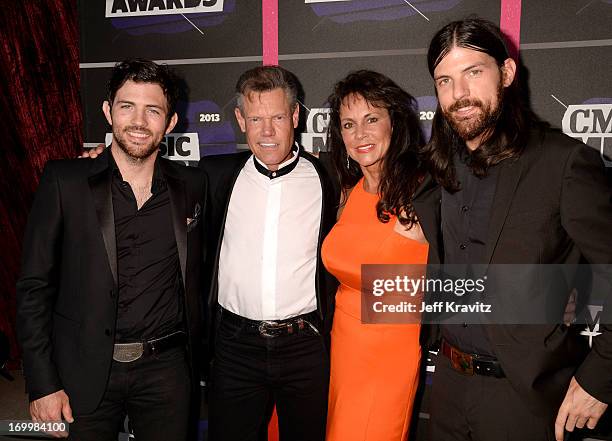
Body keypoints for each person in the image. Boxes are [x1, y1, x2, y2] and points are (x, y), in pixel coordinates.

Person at [418, 17, 612, 441]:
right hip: (447, 385)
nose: (459, 94)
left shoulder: (563, 163)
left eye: (473, 72)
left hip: (523, 397)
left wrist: (601, 378)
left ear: (506, 73)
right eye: (445, 80)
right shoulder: (437, 167)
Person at [16, 59, 207, 440]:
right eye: (127, 107)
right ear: (108, 111)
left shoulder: (194, 185)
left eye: (152, 110)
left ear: (170, 122)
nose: (139, 121)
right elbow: (33, 288)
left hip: (165, 370)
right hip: (81, 369)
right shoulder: (64, 181)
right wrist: (42, 384)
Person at [199, 65, 338, 441]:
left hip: (305, 345)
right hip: (234, 346)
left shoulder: (328, 178)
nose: (267, 131)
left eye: (277, 117)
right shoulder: (213, 176)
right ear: (240, 119)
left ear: (295, 116)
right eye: (256, 118)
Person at [322, 70, 430, 441]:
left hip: (388, 356)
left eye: (372, 119)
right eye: (349, 124)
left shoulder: (422, 194)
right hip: (343, 345)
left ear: (394, 123)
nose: (360, 134)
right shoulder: (348, 193)